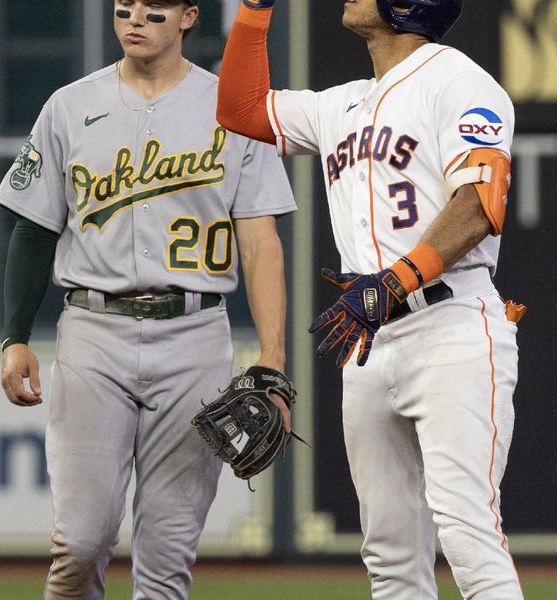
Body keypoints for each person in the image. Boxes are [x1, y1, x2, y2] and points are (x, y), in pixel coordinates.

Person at [216, 0, 525, 598]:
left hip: (452, 325)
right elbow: (241, 109)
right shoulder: (342, 101)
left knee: (467, 536)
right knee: (388, 555)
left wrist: (394, 281)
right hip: (371, 339)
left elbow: (481, 204)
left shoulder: (459, 80)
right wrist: (254, 10)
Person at [0, 1, 296, 598]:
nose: (134, 21)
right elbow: (33, 228)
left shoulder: (230, 109)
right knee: (79, 543)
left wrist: (273, 357)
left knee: (166, 558)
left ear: (188, 17)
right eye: (124, 8)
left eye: (153, 12)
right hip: (93, 331)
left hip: (195, 336)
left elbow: (261, 242)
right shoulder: (70, 105)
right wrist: (15, 336)